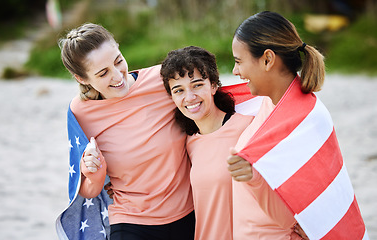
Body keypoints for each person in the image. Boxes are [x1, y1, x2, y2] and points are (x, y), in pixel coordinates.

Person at [228, 11, 368, 239]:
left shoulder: (304, 121)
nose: (235, 71)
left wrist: (253, 176)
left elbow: (293, 213)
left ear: (267, 59)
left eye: (238, 62)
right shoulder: (265, 103)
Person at [58, 23, 195, 240]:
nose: (117, 76)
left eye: (118, 61)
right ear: (82, 79)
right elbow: (87, 191)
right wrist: (94, 173)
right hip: (130, 220)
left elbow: (210, 108)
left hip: (191, 214)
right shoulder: (80, 112)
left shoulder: (163, 80)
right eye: (103, 73)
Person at [160, 46, 254, 239]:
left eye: (197, 85)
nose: (189, 97)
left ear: (213, 85)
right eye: (179, 90)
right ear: (172, 97)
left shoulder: (247, 128)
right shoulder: (189, 143)